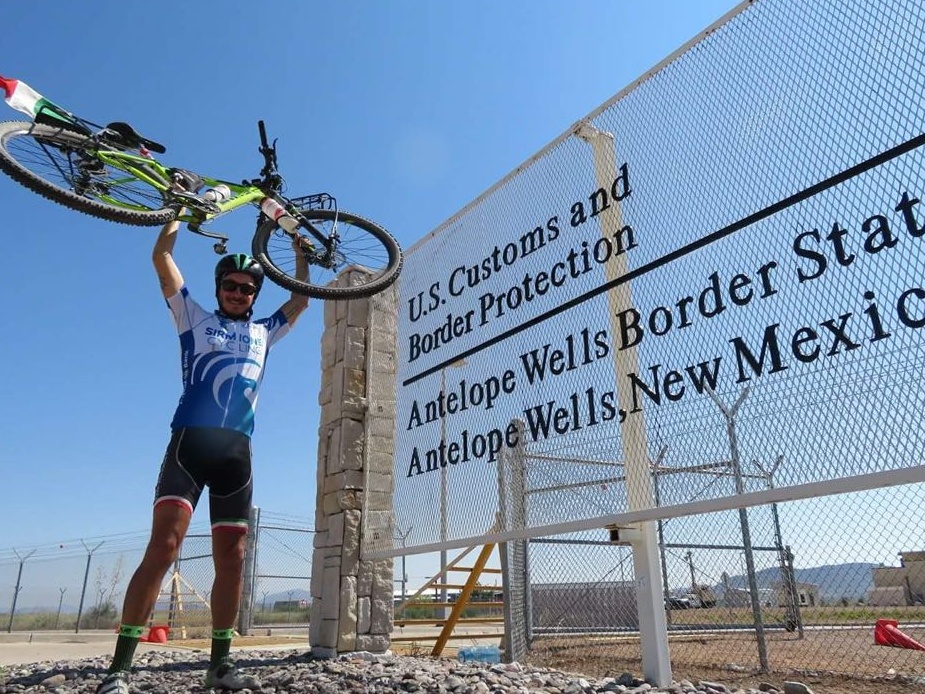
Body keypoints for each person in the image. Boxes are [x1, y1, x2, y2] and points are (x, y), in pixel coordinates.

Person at [95, 213, 309, 694]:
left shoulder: (265, 332)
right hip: (189, 445)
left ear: (255, 294)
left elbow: (300, 298)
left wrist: (297, 246)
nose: (238, 293)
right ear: (219, 289)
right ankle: (120, 669)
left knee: (231, 559)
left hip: (237, 454)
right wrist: (173, 213)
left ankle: (219, 664)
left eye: (247, 288)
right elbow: (162, 257)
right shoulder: (194, 317)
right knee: (164, 548)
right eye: (230, 285)